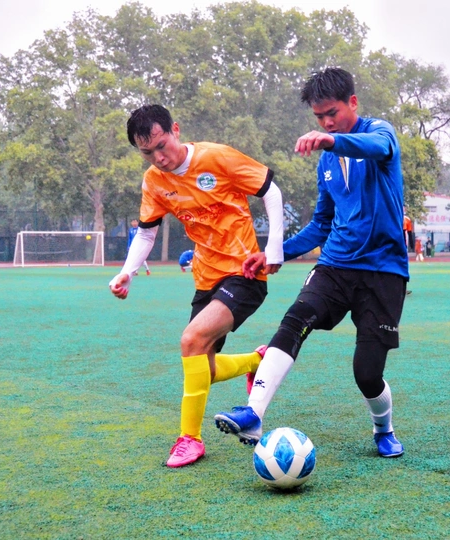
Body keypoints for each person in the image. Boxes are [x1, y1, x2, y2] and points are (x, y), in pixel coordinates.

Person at [214, 67, 409, 458]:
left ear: (353, 102)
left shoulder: (379, 132)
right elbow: (321, 225)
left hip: (384, 271)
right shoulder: (326, 164)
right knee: (296, 317)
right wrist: (274, 253)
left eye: (332, 113)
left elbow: (377, 147)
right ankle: (253, 413)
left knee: (367, 373)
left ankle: (383, 428)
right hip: (335, 265)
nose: (326, 122)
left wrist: (332, 140)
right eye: (319, 117)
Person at [109, 104, 286, 467]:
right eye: (147, 153)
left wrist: (274, 248)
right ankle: (257, 361)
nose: (159, 158)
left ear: (175, 130)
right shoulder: (154, 182)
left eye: (162, 145)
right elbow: (147, 232)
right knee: (204, 366)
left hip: (245, 272)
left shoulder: (216, 157)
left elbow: (271, 191)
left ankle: (190, 439)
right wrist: (128, 271)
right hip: (205, 277)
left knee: (190, 339)